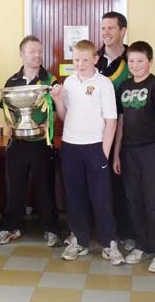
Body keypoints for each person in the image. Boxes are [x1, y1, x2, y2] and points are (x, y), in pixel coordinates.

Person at [50, 40, 124, 264]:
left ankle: (109, 243)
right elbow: (65, 116)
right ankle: (79, 241)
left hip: (96, 147)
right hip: (71, 147)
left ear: (95, 59)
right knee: (74, 197)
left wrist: (104, 152)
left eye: (84, 60)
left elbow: (111, 121)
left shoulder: (104, 84)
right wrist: (58, 100)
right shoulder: (69, 83)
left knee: (100, 197)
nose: (80, 64)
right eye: (76, 60)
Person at [112, 41, 155, 273]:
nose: (135, 65)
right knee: (134, 200)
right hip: (128, 151)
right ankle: (142, 245)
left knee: (154, 201)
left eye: (140, 60)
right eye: (131, 61)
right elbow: (120, 123)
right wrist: (117, 153)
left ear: (150, 62)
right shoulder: (124, 87)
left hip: (153, 151)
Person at [0, 35, 60, 247]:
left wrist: (45, 126)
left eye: (39, 51)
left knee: (45, 187)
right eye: (32, 51)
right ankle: (9, 227)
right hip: (18, 144)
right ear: (22, 55)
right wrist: (12, 126)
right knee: (15, 187)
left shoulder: (51, 81)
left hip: (41, 143)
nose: (37, 55)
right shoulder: (12, 82)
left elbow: (56, 111)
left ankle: (51, 229)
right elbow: (6, 108)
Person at [95, 11, 134, 251]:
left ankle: (127, 233)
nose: (106, 33)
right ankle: (101, 231)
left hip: (127, 135)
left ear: (123, 30)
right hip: (95, 134)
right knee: (100, 186)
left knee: (123, 186)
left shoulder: (134, 58)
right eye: (103, 28)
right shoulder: (93, 58)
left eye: (111, 28)